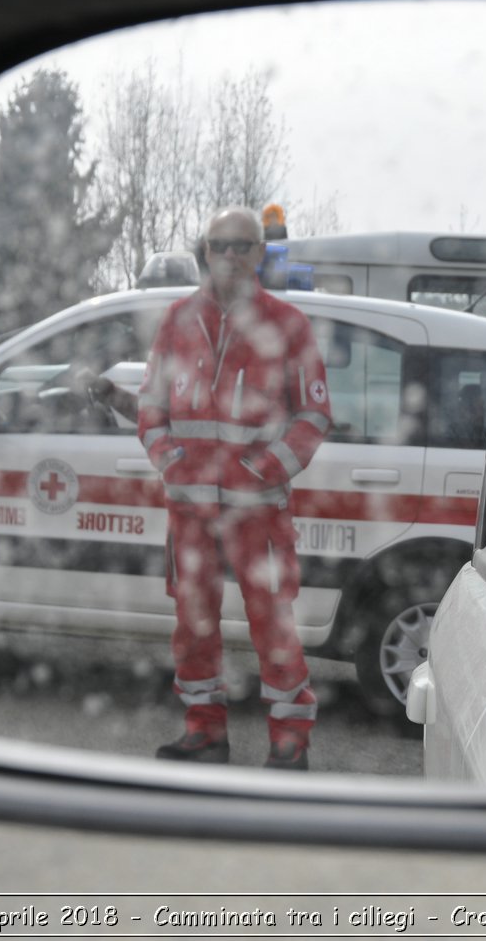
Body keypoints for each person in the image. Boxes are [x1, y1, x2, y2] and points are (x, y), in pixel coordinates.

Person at [138, 206, 333, 770]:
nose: (228, 255)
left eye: (241, 246)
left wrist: (261, 470)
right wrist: (170, 460)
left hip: (258, 514)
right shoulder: (175, 320)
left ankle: (290, 741)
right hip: (190, 513)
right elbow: (150, 410)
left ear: (259, 254)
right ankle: (204, 733)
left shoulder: (287, 326)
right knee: (193, 627)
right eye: (218, 244)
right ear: (205, 249)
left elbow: (314, 416)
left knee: (274, 627)